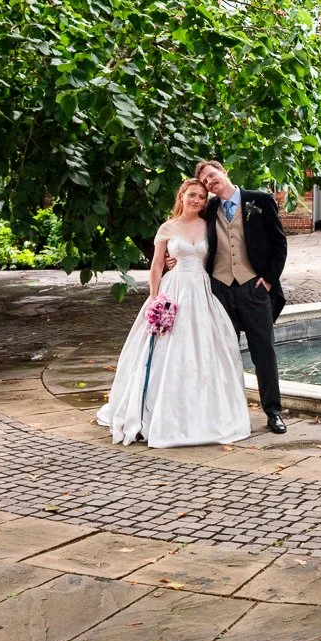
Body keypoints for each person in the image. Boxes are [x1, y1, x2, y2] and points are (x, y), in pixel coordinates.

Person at [96, 179, 251, 447]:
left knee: (204, 351)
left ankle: (203, 415)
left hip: (201, 291)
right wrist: (155, 299)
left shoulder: (210, 226)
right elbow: (156, 266)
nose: (197, 200)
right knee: (164, 352)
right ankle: (154, 413)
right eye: (192, 195)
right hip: (173, 290)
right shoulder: (167, 228)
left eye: (202, 197)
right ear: (181, 196)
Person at [189, 159, 290, 433]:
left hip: (253, 287)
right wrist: (172, 259)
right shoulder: (208, 210)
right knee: (224, 353)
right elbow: (187, 233)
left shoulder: (260, 200)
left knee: (264, 353)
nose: (211, 182)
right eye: (206, 182)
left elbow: (280, 242)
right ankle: (229, 412)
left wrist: (268, 280)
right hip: (220, 289)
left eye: (213, 176)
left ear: (224, 172)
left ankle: (273, 412)